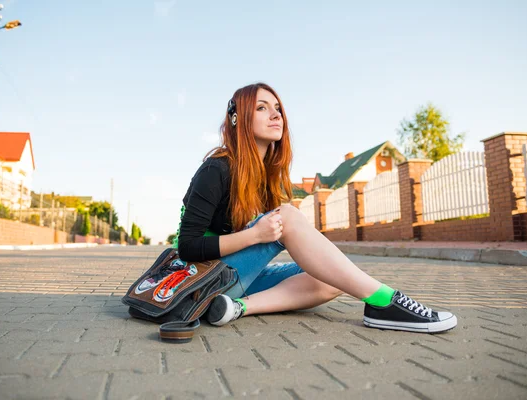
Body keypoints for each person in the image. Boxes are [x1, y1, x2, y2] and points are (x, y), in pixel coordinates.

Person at [172, 82, 457, 334]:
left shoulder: (264, 176)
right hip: (197, 281)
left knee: (333, 278)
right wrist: (256, 235)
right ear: (239, 118)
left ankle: (235, 308)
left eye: (278, 109)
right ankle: (384, 301)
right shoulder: (217, 168)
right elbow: (187, 247)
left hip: (228, 284)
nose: (275, 115)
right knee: (288, 217)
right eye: (262, 108)